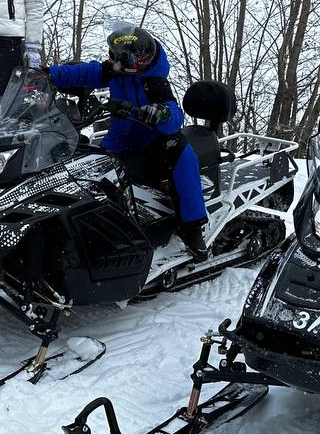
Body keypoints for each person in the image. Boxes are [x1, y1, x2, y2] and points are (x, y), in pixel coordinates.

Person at [46, 23, 210, 259]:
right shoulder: (116, 70)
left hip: (155, 140)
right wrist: (46, 74)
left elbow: (174, 114)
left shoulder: (154, 82)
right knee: (90, 168)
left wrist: (159, 114)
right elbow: (83, 72)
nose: (119, 65)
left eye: (131, 60)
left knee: (183, 156)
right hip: (121, 139)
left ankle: (192, 226)